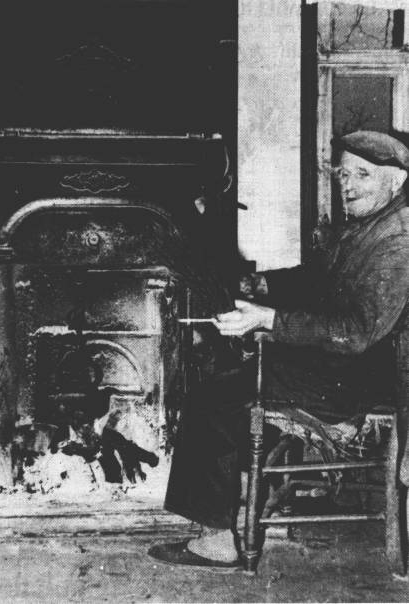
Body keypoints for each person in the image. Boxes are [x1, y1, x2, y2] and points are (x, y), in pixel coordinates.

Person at [149, 131, 409, 568]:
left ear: (396, 182)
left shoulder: (398, 241)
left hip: (359, 379)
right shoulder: (369, 224)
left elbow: (356, 331)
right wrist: (264, 284)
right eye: (344, 174)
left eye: (362, 175)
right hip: (343, 366)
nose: (348, 184)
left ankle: (216, 538)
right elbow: (321, 279)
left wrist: (267, 319)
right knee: (228, 383)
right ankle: (240, 502)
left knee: (214, 398)